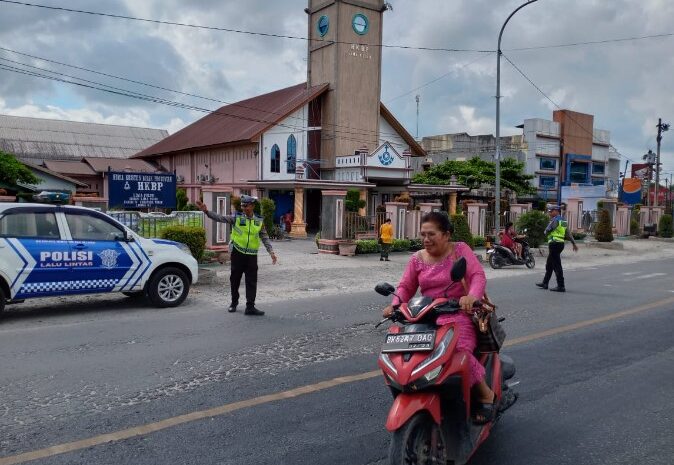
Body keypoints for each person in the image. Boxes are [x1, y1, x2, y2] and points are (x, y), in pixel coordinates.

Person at [382, 211, 497, 424]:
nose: (426, 239)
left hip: (457, 314)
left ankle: (484, 394)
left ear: (446, 234)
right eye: (423, 234)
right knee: (407, 354)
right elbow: (406, 286)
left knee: (459, 352)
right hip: (425, 316)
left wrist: (471, 296)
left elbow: (476, 276)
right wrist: (395, 305)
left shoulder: (460, 250)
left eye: (431, 234)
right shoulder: (416, 258)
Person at [196, 195, 277, 315]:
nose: (244, 208)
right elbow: (220, 218)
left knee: (251, 281)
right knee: (235, 280)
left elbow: (264, 236)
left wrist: (271, 252)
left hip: (251, 256)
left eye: (246, 205)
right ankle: (234, 303)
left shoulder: (259, 220)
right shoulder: (236, 217)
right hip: (237, 253)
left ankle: (250, 307)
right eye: (242, 205)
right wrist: (207, 212)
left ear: (252, 206)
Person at [536, 205, 578, 292]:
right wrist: (573, 243)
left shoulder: (555, 220)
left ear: (556, 211)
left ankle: (561, 286)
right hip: (559, 244)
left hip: (554, 244)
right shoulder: (563, 220)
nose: (549, 213)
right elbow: (568, 233)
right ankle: (545, 283)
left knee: (556, 265)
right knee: (549, 264)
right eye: (549, 211)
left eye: (551, 211)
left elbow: (547, 230)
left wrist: (545, 231)